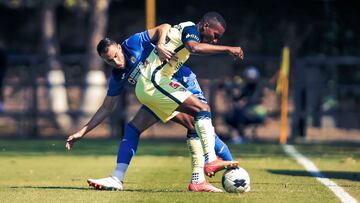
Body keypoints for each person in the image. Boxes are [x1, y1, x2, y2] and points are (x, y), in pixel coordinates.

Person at [66, 24, 234, 192]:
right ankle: (117, 178)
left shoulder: (132, 43)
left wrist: (160, 44)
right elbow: (106, 108)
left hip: (180, 79)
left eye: (116, 55)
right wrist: (82, 132)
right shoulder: (118, 77)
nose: (116, 62)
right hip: (159, 91)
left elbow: (164, 27)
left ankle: (228, 170)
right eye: (109, 60)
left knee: (200, 125)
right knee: (133, 128)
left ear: (118, 47)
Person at [133, 11, 243, 179]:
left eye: (218, 38)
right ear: (205, 26)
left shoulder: (186, 27)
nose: (215, 40)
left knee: (195, 121)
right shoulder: (191, 29)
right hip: (153, 82)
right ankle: (211, 160)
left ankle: (197, 180)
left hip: (153, 83)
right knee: (202, 108)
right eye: (215, 35)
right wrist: (228, 48)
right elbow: (194, 47)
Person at [224, 66, 267, 144]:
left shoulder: (259, 86)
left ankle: (242, 136)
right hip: (244, 111)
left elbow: (255, 99)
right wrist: (233, 92)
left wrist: (245, 102)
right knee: (231, 115)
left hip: (256, 112)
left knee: (241, 113)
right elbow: (238, 97)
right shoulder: (246, 86)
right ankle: (237, 137)